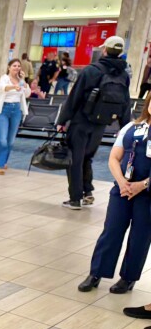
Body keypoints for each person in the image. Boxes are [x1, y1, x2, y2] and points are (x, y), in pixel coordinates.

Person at [77, 96, 151, 295]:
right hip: (122, 189)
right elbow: (114, 158)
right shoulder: (131, 127)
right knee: (111, 231)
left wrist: (142, 185)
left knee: (140, 236)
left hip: (147, 193)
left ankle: (128, 277)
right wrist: (122, 182)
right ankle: (96, 273)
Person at [57, 36, 132, 210]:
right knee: (87, 157)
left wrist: (63, 120)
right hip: (101, 123)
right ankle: (87, 192)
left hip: (81, 121)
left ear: (105, 50)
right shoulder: (123, 74)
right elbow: (125, 102)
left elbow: (75, 96)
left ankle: (75, 199)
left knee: (75, 159)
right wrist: (125, 126)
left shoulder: (91, 70)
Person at [0, 59, 30, 175]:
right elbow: (1, 88)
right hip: (4, 109)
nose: (17, 68)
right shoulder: (4, 78)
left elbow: (27, 93)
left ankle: (3, 161)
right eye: (14, 66)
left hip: (16, 110)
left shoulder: (21, 80)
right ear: (9, 67)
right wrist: (14, 87)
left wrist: (23, 81)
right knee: (2, 139)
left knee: (10, 141)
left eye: (18, 66)